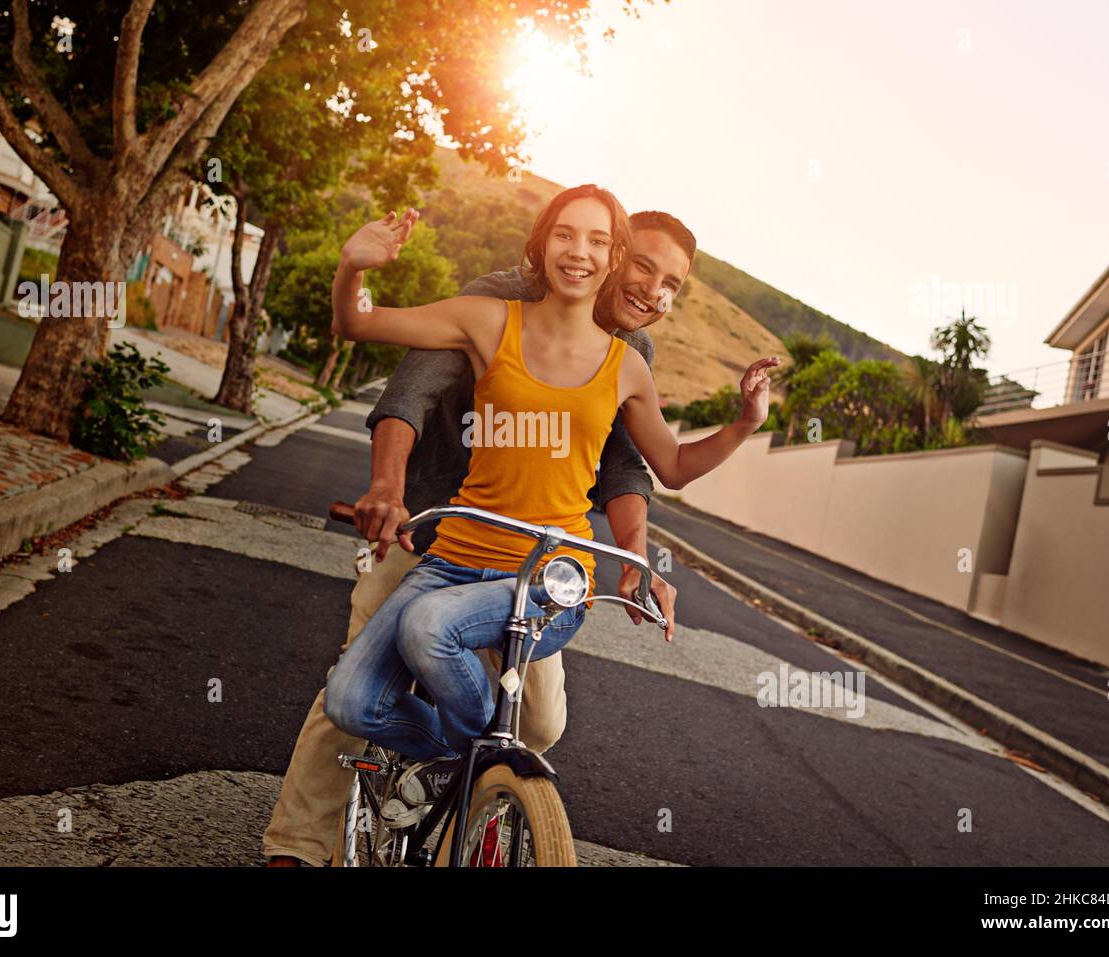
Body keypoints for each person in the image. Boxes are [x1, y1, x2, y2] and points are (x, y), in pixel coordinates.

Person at [262, 202, 698, 867]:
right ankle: (297, 843)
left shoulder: (630, 353)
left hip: (531, 559)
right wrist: (388, 487)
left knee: (540, 723)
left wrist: (634, 556)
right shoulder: (496, 302)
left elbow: (625, 464)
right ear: (613, 256)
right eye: (644, 266)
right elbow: (410, 394)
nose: (652, 291)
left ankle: (476, 812)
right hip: (429, 529)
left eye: (672, 283)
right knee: (356, 680)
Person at [321, 186, 777, 794]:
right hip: (450, 550)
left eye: (597, 241)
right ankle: (482, 755)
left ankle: (490, 760)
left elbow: (660, 466)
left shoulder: (629, 362)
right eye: (565, 234)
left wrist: (745, 423)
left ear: (609, 256)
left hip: (547, 574)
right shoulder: (488, 314)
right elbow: (364, 331)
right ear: (543, 242)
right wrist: (353, 266)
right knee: (349, 704)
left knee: (439, 637)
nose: (579, 253)